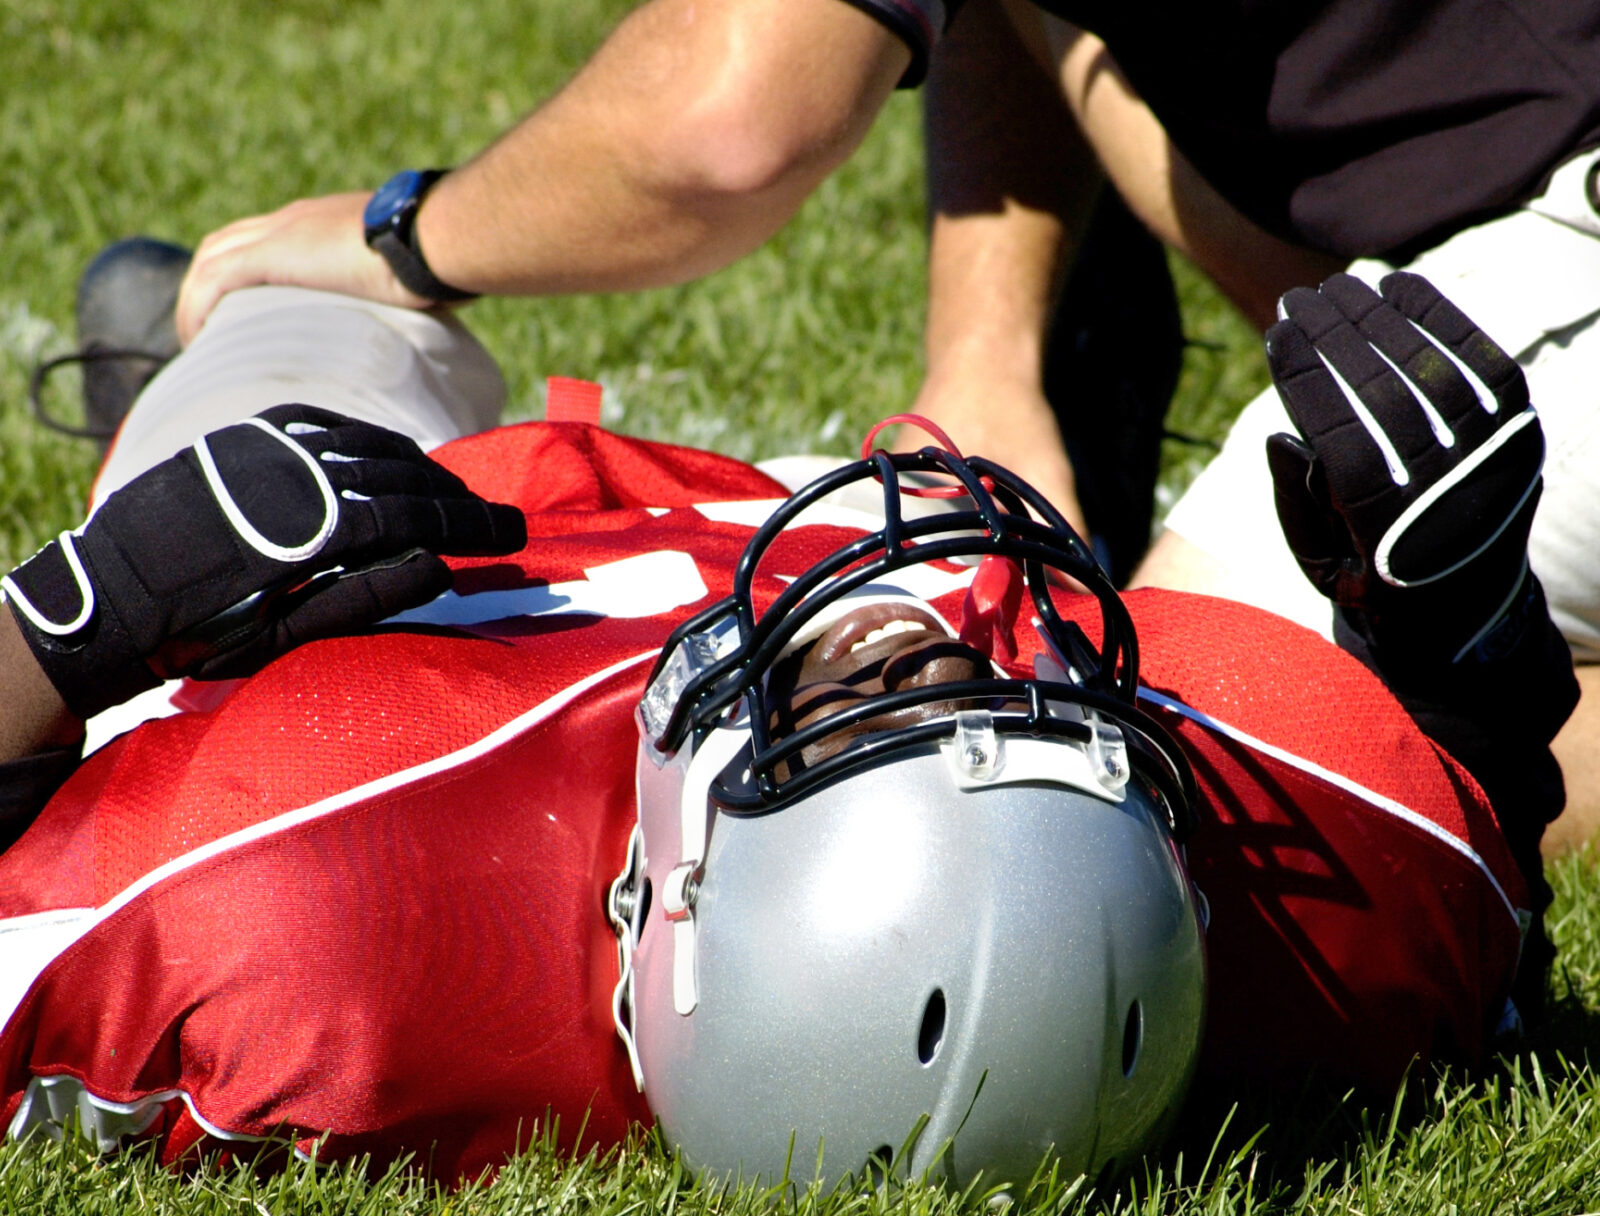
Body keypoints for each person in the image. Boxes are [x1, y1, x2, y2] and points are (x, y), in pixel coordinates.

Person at [0, 271, 1569, 1183]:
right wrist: (1457, 620)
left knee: (315, 327)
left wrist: (84, 611)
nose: (938, 633)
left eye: (877, 701)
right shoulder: (1197, 896)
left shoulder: (301, 905)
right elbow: (1467, 870)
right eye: (1025, 705)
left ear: (676, 899)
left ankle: (199, 324)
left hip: (400, 547)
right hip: (719, 533)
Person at [129, 0, 1597, 848]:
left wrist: (401, 234)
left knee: (1215, 751)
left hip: (1562, 224)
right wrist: (985, 363)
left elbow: (718, 125)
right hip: (1493, 238)